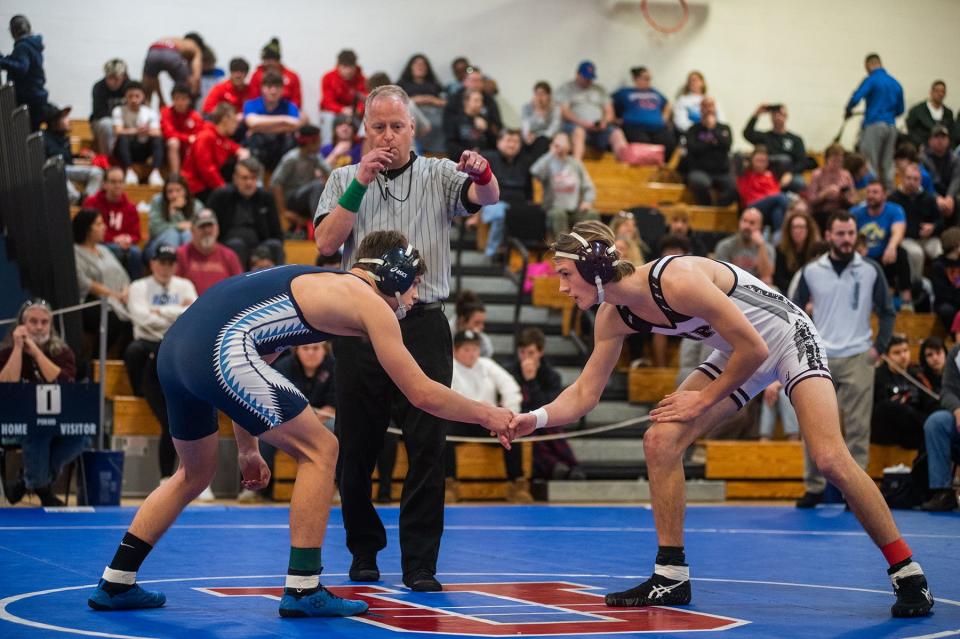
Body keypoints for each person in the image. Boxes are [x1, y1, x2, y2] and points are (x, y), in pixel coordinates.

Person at [507, 219, 933, 618]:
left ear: (595, 268)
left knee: (829, 458)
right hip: (738, 352)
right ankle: (671, 576)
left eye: (564, 274)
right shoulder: (612, 315)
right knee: (661, 441)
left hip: (785, 337)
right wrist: (537, 418)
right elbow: (585, 394)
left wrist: (701, 400)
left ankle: (907, 572)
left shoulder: (676, 280)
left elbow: (757, 348)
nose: (561, 287)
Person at [86, 231, 514, 615]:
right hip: (220, 350)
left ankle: (117, 580)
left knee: (192, 473)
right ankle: (304, 587)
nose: (416, 298)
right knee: (322, 449)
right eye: (415, 285)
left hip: (175, 352)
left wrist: (249, 447)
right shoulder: (367, 302)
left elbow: (258, 358)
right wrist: (488, 415)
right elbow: (420, 392)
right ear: (394, 274)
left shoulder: (317, 283)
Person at [313, 84, 500, 592]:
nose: (389, 136)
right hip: (359, 322)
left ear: (413, 128)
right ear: (363, 130)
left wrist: (484, 173)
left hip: (423, 321)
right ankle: (363, 552)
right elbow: (328, 245)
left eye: (398, 126)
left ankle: (421, 563)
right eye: (379, 127)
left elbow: (484, 197)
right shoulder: (342, 178)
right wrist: (362, 182)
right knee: (358, 445)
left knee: (428, 444)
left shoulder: (438, 173)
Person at [792, 211, 896, 507]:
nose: (847, 239)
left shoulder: (871, 269)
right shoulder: (811, 271)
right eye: (840, 233)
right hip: (818, 356)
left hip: (858, 355)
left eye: (851, 233)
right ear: (828, 235)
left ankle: (856, 493)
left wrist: (880, 347)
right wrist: (801, 347)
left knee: (858, 429)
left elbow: (887, 311)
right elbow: (795, 313)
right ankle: (813, 487)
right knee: (813, 426)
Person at [124, 245, 198, 484]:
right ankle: (139, 392)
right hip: (148, 344)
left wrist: (160, 311)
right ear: (152, 263)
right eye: (161, 262)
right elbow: (141, 318)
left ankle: (180, 475)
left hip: (174, 346)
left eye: (170, 263)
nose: (166, 267)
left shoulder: (185, 285)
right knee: (134, 351)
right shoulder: (139, 286)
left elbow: (193, 313)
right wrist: (176, 313)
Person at [0, 300, 80, 506]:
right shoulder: (6, 352)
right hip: (15, 423)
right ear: (21, 324)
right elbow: (6, 386)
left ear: (50, 325)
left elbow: (66, 384)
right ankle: (43, 491)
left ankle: (27, 482)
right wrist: (19, 348)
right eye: (32, 321)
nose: (38, 327)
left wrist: (35, 351)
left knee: (83, 436)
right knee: (38, 430)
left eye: (44, 322)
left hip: (57, 420)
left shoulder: (62, 353)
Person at [238, 342, 339, 503]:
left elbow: (333, 404)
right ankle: (255, 488)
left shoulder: (334, 367)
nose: (311, 353)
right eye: (306, 348)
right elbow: (274, 402)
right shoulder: (284, 367)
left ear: (324, 350)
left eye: (316, 349)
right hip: (287, 421)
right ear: (297, 350)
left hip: (322, 420)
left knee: (335, 430)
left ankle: (335, 487)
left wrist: (311, 423)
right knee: (264, 435)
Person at [445, 330, 528, 503]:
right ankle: (449, 484)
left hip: (488, 422)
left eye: (474, 349)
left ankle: (517, 484)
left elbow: (510, 387)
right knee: (444, 435)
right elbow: (448, 397)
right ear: (456, 350)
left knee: (512, 433)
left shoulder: (487, 364)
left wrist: (510, 414)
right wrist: (475, 410)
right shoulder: (448, 367)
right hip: (461, 421)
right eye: (466, 349)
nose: (471, 354)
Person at [507, 327, 582, 480]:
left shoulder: (551, 376)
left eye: (531, 353)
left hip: (544, 420)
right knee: (531, 434)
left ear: (540, 352)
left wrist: (532, 381)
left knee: (551, 428)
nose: (525, 358)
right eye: (522, 353)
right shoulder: (509, 373)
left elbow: (548, 406)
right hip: (521, 419)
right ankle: (555, 466)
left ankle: (571, 465)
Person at [72, 209, 131, 358]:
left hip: (118, 300)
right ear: (87, 228)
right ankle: (96, 362)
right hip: (89, 302)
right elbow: (83, 282)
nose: (104, 227)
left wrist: (125, 291)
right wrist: (113, 295)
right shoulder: (74, 252)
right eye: (99, 224)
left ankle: (121, 362)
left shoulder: (104, 250)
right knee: (112, 320)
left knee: (134, 320)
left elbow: (123, 275)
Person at [206, 157, 284, 268]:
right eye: (245, 178)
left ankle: (280, 284)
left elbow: (277, 232)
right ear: (235, 178)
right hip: (230, 244)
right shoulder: (220, 196)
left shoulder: (266, 198)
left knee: (275, 245)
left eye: (253, 178)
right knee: (237, 245)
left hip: (260, 245)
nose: (249, 183)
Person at [845, 53, 904, 190]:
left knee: (869, 162)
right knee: (887, 165)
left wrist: (848, 109)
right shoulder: (895, 83)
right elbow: (901, 110)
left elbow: (856, 98)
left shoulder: (871, 79)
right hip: (891, 126)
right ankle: (888, 195)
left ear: (869, 65)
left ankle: (870, 193)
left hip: (874, 124)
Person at [852, 180, 914, 310]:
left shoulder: (894, 210)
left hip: (885, 257)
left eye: (875, 192)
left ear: (884, 195)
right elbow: (849, 234)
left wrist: (891, 246)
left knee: (901, 252)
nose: (870, 195)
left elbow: (898, 230)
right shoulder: (856, 212)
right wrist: (858, 247)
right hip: (864, 258)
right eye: (868, 192)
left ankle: (906, 300)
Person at [871, 334, 937, 450]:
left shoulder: (917, 374)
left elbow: (929, 401)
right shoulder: (877, 376)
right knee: (891, 407)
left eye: (906, 351)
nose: (903, 356)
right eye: (897, 353)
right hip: (888, 430)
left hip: (913, 430)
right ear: (886, 356)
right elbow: (878, 410)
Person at [530, 131, 597, 240]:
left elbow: (588, 186)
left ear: (569, 146)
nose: (561, 145)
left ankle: (587, 249)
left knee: (592, 215)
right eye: (557, 142)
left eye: (564, 141)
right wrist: (551, 153)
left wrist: (587, 201)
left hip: (575, 208)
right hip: (553, 207)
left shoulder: (576, 164)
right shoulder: (548, 161)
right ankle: (564, 249)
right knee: (558, 214)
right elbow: (535, 172)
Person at [478, 129, 533, 260]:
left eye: (515, 142)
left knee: (534, 214)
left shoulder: (526, 161)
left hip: (518, 204)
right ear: (498, 142)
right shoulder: (487, 158)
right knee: (501, 213)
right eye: (508, 141)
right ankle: (491, 253)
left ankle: (520, 258)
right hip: (492, 204)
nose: (512, 145)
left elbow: (528, 189)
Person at [555, 61, 626, 161]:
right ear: (577, 74)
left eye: (590, 78)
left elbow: (610, 112)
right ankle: (576, 167)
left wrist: (604, 122)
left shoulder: (600, 90)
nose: (588, 80)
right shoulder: (566, 89)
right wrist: (583, 123)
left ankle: (625, 167)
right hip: (576, 126)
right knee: (579, 132)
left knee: (617, 133)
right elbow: (564, 112)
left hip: (599, 128)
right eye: (585, 77)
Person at [919, 342, 960, 512]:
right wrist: (958, 411)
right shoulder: (956, 353)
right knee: (936, 422)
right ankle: (942, 492)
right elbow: (947, 392)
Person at [83, 166, 143, 280]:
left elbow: (136, 235)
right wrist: (115, 239)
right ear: (104, 184)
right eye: (113, 182)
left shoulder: (130, 207)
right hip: (99, 244)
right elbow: (87, 229)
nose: (117, 185)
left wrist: (128, 239)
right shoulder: (92, 203)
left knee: (135, 253)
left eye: (120, 182)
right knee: (115, 250)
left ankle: (135, 288)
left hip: (123, 246)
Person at [271, 124, 331, 234]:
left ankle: (328, 221)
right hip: (292, 199)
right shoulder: (291, 158)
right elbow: (275, 184)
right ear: (309, 142)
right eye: (318, 141)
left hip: (306, 197)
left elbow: (329, 173)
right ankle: (319, 226)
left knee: (324, 184)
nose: (320, 144)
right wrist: (283, 212)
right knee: (317, 185)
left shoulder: (315, 156)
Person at [180, 103, 246, 201]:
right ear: (225, 119)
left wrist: (241, 151)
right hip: (196, 188)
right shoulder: (206, 136)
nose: (236, 125)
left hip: (207, 185)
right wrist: (223, 188)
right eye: (234, 121)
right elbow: (207, 169)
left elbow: (233, 146)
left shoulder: (221, 138)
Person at [889, 162, 942, 283]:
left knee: (939, 252)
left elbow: (940, 221)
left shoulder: (929, 198)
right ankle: (917, 287)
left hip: (928, 238)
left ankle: (940, 286)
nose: (911, 182)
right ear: (902, 179)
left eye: (915, 179)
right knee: (916, 254)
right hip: (906, 238)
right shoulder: (893, 199)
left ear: (920, 181)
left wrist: (933, 227)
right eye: (908, 178)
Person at [41, 103, 103, 204]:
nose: (69, 120)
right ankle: (77, 199)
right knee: (58, 171)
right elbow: (51, 159)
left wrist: (80, 156)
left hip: (68, 168)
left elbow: (68, 159)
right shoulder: (43, 138)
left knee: (97, 172)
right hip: (54, 171)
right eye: (64, 118)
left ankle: (88, 201)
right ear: (55, 122)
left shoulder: (65, 138)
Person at [242, 71, 303, 171]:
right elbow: (252, 122)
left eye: (277, 87)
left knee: (291, 141)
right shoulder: (251, 104)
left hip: (280, 145)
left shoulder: (289, 106)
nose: (273, 91)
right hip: (260, 146)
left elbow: (295, 124)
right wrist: (284, 120)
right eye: (269, 87)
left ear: (283, 89)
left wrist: (259, 128)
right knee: (255, 140)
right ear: (262, 88)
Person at [174, 209, 243, 294]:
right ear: (192, 231)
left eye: (210, 226)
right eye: (202, 227)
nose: (207, 231)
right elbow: (173, 287)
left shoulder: (229, 256)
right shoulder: (181, 254)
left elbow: (240, 288)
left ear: (217, 228)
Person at [611, 66, 674, 160]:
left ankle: (662, 169)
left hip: (658, 127)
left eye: (649, 79)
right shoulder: (625, 92)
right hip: (635, 127)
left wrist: (664, 117)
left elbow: (668, 104)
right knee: (644, 147)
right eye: (646, 78)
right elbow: (607, 102)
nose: (649, 81)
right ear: (636, 79)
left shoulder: (654, 92)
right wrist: (613, 118)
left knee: (669, 142)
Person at [743, 103, 809, 192]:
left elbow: (802, 162)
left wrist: (790, 174)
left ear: (786, 116)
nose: (778, 117)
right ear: (771, 117)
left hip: (789, 173)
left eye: (781, 114)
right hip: (768, 174)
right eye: (775, 114)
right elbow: (747, 134)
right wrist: (757, 114)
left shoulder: (795, 139)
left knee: (800, 183)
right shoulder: (765, 137)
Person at [684, 97, 736, 206]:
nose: (708, 109)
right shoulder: (693, 129)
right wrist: (713, 143)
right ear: (701, 109)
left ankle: (719, 209)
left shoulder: (724, 128)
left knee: (734, 187)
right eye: (705, 106)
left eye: (711, 105)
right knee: (699, 182)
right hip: (699, 170)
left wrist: (712, 129)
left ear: (715, 108)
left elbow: (726, 145)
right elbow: (693, 148)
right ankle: (707, 207)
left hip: (722, 172)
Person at [0, 15, 48, 131]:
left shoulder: (23, 46)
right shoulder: (32, 45)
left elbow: (21, 67)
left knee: (24, 135)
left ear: (13, 31)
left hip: (27, 100)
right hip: (36, 99)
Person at [112, 81, 164, 186]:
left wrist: (146, 131)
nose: (134, 99)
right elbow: (118, 131)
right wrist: (137, 130)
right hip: (126, 149)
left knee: (158, 140)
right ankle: (129, 171)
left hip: (144, 148)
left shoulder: (150, 112)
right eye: (130, 96)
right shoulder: (118, 110)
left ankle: (155, 172)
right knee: (122, 138)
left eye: (137, 96)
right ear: (125, 96)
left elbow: (157, 132)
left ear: (143, 96)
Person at [397, 53, 446, 154]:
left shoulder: (435, 85)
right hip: (413, 115)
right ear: (410, 67)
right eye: (417, 64)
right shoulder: (402, 84)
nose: (420, 66)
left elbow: (445, 102)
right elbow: (396, 102)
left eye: (423, 64)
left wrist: (432, 100)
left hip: (435, 114)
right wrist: (418, 99)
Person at [736, 145, 789, 237]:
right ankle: (790, 216)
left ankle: (778, 239)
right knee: (781, 197)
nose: (760, 164)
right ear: (752, 161)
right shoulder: (746, 174)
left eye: (763, 161)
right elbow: (737, 159)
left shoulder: (769, 175)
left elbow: (775, 191)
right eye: (758, 161)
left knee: (777, 211)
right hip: (752, 205)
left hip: (769, 206)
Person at [712, 208, 774, 285]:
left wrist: (761, 246)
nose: (746, 226)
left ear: (760, 226)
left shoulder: (767, 248)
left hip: (757, 289)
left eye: (752, 223)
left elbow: (766, 276)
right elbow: (722, 276)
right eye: (744, 221)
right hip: (732, 286)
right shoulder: (725, 246)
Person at [146, 175, 203, 260]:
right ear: (165, 193)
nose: (174, 195)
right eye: (170, 191)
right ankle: (171, 265)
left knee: (187, 234)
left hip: (186, 242)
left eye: (178, 190)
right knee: (172, 234)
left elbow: (200, 231)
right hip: (157, 246)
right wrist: (176, 221)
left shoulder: (196, 206)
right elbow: (154, 230)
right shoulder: (157, 201)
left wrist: (177, 213)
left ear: (186, 191)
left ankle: (187, 266)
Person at [142, 33, 204, 107]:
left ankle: (145, 112)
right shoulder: (194, 46)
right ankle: (188, 112)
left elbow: (152, 80)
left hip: (153, 51)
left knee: (146, 91)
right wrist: (194, 93)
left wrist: (161, 99)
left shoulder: (172, 39)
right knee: (186, 88)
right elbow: (196, 77)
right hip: (171, 52)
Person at [806, 143, 857, 232]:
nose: (837, 164)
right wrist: (824, 194)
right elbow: (811, 199)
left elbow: (853, 198)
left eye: (840, 161)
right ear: (827, 160)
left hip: (842, 210)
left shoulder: (846, 175)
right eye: (834, 161)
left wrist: (844, 196)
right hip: (822, 212)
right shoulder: (818, 174)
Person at [773, 203, 821, 294]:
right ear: (789, 230)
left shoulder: (816, 249)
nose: (797, 231)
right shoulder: (781, 249)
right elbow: (778, 279)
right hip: (787, 293)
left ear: (808, 230)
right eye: (794, 227)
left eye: (801, 227)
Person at [160, 83, 204, 175]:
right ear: (172, 99)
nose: (180, 102)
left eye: (183, 99)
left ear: (189, 100)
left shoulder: (195, 116)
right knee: (173, 142)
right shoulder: (166, 112)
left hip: (189, 150)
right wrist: (187, 138)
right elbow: (168, 133)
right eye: (177, 98)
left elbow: (199, 134)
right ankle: (175, 176)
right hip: (167, 151)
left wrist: (191, 140)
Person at [247, 38, 302, 109]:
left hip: (286, 113)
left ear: (278, 60)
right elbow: (253, 99)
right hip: (261, 114)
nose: (268, 63)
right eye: (265, 59)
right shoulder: (257, 76)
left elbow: (296, 102)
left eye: (271, 59)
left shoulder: (292, 76)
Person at [920, 125, 959, 223]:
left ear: (948, 140)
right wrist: (937, 198)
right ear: (930, 140)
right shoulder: (922, 158)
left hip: (949, 196)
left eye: (943, 137)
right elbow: (924, 182)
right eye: (936, 137)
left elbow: (956, 178)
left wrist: (949, 197)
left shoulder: (954, 158)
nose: (940, 140)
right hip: (930, 194)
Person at [444, 88, 496, 162]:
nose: (480, 104)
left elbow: (495, 144)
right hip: (462, 162)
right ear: (466, 102)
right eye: (476, 100)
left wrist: (486, 129)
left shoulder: (485, 120)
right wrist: (469, 152)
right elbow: (450, 145)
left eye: (481, 100)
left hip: (484, 161)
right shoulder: (455, 120)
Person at [90, 59, 129, 155]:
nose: (113, 82)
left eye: (116, 78)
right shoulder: (99, 87)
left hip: (126, 121)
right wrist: (118, 123)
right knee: (107, 124)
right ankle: (108, 159)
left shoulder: (130, 87)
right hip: (102, 121)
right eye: (109, 78)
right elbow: (99, 112)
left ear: (123, 77)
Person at [906, 81, 954, 150]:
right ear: (931, 92)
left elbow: (951, 133)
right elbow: (910, 128)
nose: (940, 94)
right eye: (937, 91)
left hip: (942, 151)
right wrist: (918, 143)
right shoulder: (918, 110)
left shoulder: (948, 113)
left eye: (942, 92)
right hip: (921, 147)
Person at [520, 81, 562, 160]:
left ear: (549, 96)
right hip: (530, 136)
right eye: (537, 94)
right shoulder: (526, 107)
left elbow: (553, 130)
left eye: (542, 94)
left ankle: (533, 169)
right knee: (521, 142)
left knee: (542, 141)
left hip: (546, 138)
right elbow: (526, 127)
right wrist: (537, 112)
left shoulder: (555, 109)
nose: (539, 97)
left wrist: (537, 135)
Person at [320, 49, 367, 119]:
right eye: (345, 67)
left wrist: (358, 110)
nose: (348, 71)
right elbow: (328, 102)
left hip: (355, 114)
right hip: (334, 114)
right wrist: (342, 109)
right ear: (338, 66)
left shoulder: (362, 80)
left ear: (355, 66)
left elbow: (365, 99)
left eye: (351, 67)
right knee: (328, 116)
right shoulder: (328, 78)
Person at [450, 290, 495, 358]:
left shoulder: (481, 338)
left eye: (482, 323)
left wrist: (478, 339)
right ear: (462, 320)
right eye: (477, 323)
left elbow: (488, 355)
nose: (482, 327)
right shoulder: (445, 333)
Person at [931, 227, 960, 331]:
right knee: (946, 310)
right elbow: (941, 292)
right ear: (955, 245)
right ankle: (953, 334)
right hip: (946, 302)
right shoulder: (938, 265)